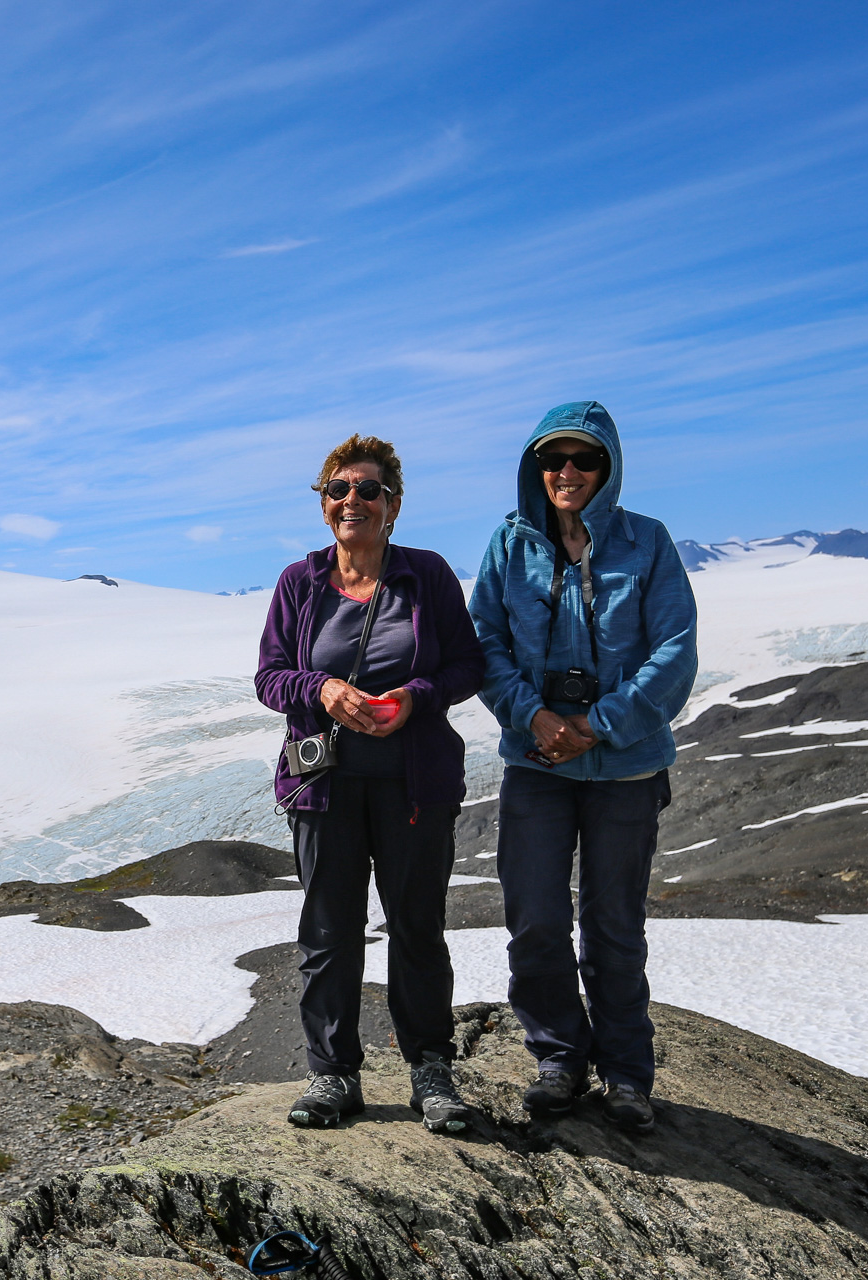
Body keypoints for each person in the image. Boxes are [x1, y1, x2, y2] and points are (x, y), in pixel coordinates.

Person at [468, 401, 697, 1134]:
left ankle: (627, 1074)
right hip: (537, 763)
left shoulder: (647, 543)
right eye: (553, 459)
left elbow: (675, 656)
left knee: (614, 925)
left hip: (623, 768)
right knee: (535, 917)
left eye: (584, 459)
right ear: (536, 467)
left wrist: (597, 726)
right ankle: (559, 1059)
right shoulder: (511, 545)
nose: (567, 472)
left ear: (609, 466)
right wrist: (533, 717)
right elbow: (484, 643)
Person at [256, 435, 486, 1133]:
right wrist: (321, 688)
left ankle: (430, 1071)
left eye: (367, 489)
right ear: (324, 506)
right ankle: (333, 1075)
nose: (351, 500)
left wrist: (416, 695)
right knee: (329, 930)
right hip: (324, 785)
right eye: (338, 489)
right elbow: (269, 677)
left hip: (414, 783)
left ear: (394, 505)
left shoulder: (427, 576)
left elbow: (467, 666)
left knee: (417, 926)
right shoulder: (300, 582)